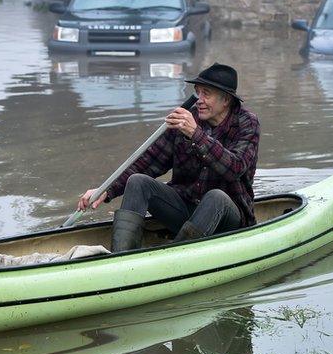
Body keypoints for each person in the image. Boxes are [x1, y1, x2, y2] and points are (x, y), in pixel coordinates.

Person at [78, 63, 259, 252]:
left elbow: (235, 168)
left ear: (226, 100)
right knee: (138, 182)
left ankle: (177, 257)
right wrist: (107, 190)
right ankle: (121, 256)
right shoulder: (187, 120)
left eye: (207, 93)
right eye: (198, 92)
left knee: (216, 197)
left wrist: (196, 134)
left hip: (228, 218)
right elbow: (148, 162)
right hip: (185, 212)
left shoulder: (247, 123)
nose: (199, 100)